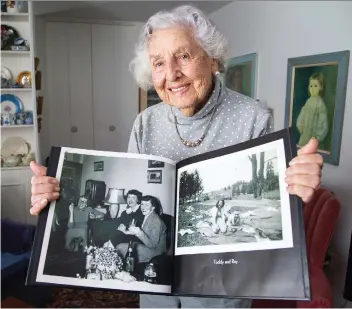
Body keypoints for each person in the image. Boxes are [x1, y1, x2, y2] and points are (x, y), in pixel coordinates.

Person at [29, 5, 323, 308]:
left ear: (213, 60)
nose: (171, 74)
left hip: (219, 289)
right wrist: (56, 194)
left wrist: (295, 188)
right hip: (158, 289)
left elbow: (275, 210)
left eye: (183, 56)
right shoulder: (145, 122)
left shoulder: (253, 117)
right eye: (158, 63)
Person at [116, 195, 167, 263]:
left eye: (146, 205)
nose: (143, 207)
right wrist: (125, 231)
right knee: (120, 247)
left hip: (155, 252)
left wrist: (139, 232)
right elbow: (144, 232)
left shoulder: (155, 221)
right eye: (142, 204)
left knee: (123, 252)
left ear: (153, 207)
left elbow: (153, 245)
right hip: (145, 245)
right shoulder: (147, 215)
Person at [296, 72, 329, 148]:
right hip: (305, 136)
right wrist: (300, 125)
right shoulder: (308, 102)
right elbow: (302, 115)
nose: (312, 89)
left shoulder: (320, 104)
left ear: (321, 87)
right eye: (311, 86)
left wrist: (317, 137)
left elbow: (323, 123)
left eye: (315, 86)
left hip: (313, 139)